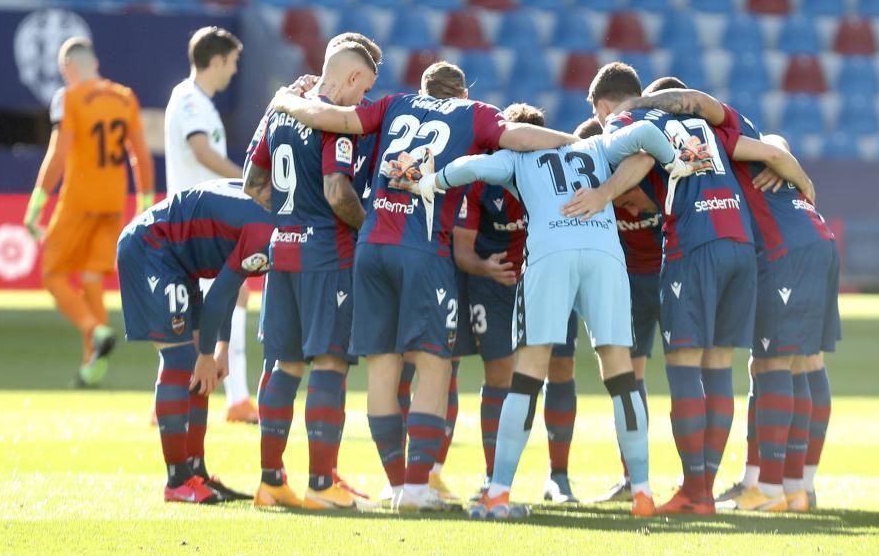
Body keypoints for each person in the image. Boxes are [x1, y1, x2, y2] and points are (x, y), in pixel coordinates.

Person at [266, 61, 576, 511]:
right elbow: (520, 137)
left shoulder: (393, 104)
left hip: (370, 245)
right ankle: (416, 488)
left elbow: (327, 117)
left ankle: (397, 486)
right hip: (423, 249)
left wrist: (283, 98)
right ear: (463, 92)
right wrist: (578, 142)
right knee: (435, 365)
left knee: (383, 367)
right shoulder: (476, 114)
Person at [398, 104, 701, 519]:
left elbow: (472, 167)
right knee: (621, 374)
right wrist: (676, 161)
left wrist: (430, 182)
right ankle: (644, 493)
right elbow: (648, 133)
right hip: (604, 252)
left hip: (550, 251)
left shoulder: (516, 157)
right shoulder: (594, 145)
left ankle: (499, 490)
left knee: (527, 375)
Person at [562, 63, 814, 514]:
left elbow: (639, 157)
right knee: (720, 369)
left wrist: (601, 195)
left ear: (603, 107)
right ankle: (707, 489)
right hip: (740, 242)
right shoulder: (708, 127)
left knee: (684, 369)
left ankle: (695, 492)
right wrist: (806, 185)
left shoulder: (630, 122)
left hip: (694, 244)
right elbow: (773, 149)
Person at [242, 42, 378, 510]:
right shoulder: (332, 124)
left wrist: (291, 218)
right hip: (328, 254)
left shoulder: (279, 116)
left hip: (283, 251)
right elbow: (338, 191)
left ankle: (271, 481)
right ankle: (322, 484)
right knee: (330, 362)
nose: (362, 102)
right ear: (355, 79)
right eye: (366, 89)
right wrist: (368, 227)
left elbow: (252, 183)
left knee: (284, 364)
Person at [116, 179, 274, 504]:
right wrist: (206, 352)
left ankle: (195, 470)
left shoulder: (273, 213)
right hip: (151, 247)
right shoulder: (272, 230)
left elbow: (229, 285)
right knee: (181, 360)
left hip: (178, 259)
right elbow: (218, 294)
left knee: (202, 368)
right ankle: (176, 480)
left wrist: (221, 349)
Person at [454, 105, 581, 503]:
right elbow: (462, 251)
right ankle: (495, 479)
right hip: (495, 287)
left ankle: (558, 479)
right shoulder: (482, 180)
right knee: (500, 376)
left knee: (560, 367)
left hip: (551, 283)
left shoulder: (562, 180)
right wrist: (484, 267)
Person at [24, 37, 154, 388]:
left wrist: (37, 202)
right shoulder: (125, 96)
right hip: (114, 202)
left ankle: (94, 329)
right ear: (94, 63)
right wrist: (144, 201)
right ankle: (91, 367)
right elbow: (140, 154)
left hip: (79, 200)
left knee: (53, 275)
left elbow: (59, 152)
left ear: (68, 68)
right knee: (93, 277)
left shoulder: (69, 98)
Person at [164, 26, 257, 424]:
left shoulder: (199, 101)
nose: (233, 71)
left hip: (202, 219)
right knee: (231, 298)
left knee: (202, 308)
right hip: (199, 221)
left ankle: (165, 400)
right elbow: (201, 151)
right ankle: (236, 399)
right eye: (232, 62)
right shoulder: (189, 100)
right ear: (216, 60)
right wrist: (248, 183)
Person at [572, 118, 662, 504]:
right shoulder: (586, 185)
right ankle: (634, 477)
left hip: (669, 272)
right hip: (629, 282)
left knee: (691, 369)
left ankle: (695, 481)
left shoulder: (647, 170)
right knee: (632, 377)